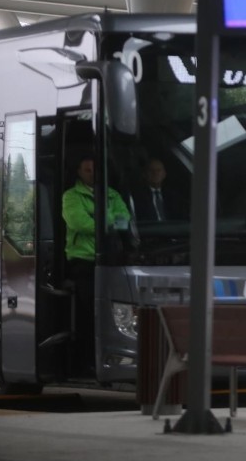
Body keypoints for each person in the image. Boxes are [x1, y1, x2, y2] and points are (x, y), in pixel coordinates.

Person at [62, 154, 130, 373]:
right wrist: (107, 224)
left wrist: (100, 221)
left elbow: (124, 220)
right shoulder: (71, 196)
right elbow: (79, 223)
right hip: (83, 262)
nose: (92, 174)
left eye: (94, 170)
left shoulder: (112, 194)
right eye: (87, 170)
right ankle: (86, 361)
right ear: (79, 173)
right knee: (87, 315)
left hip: (112, 260)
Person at [132, 157, 183, 222]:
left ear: (164, 174)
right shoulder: (136, 196)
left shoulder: (173, 196)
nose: (155, 173)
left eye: (158, 170)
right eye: (151, 170)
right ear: (144, 174)